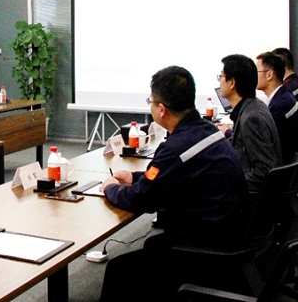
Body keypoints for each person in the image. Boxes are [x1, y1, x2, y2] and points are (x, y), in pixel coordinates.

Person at [99, 66, 248, 301]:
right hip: (229, 233)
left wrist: (110, 188)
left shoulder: (176, 148)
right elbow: (172, 176)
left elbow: (141, 199)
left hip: (206, 246)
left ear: (161, 109)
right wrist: (135, 177)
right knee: (153, 245)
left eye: (150, 101)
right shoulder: (207, 131)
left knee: (119, 270)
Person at [217, 54, 282, 193]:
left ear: (232, 83)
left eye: (221, 76)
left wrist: (229, 185)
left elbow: (264, 171)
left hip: (252, 200)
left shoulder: (251, 118)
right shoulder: (255, 105)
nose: (219, 81)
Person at [256, 51, 298, 164]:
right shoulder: (284, 96)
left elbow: (262, 141)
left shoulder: (278, 106)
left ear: (269, 75)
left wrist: (229, 132)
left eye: (256, 72)